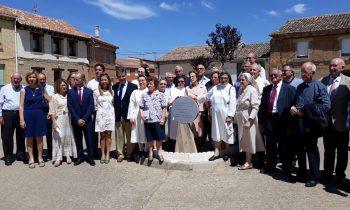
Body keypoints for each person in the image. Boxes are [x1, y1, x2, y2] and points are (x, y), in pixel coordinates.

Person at [291, 62, 330, 187]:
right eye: (301, 72)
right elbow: (297, 102)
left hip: (311, 124)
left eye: (305, 72)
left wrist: (306, 109)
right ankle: (302, 172)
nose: (302, 74)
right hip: (299, 123)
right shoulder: (300, 87)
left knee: (311, 151)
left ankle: (314, 176)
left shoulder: (320, 86)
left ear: (312, 73)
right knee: (299, 150)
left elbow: (326, 106)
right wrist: (293, 108)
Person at [258, 69, 296, 177]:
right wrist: (261, 122)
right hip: (269, 119)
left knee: (284, 144)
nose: (273, 76)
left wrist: (290, 125)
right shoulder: (267, 89)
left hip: (283, 120)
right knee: (270, 144)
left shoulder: (290, 89)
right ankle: (270, 166)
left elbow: (293, 107)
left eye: (275, 74)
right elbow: (262, 107)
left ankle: (286, 168)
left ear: (281, 76)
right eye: (271, 75)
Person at [320, 58, 350, 187]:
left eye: (335, 66)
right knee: (328, 151)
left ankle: (339, 176)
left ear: (342, 67)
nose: (331, 68)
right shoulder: (323, 81)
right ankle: (327, 174)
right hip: (326, 124)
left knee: (342, 152)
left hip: (342, 123)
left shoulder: (348, 82)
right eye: (330, 65)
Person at [198, 71, 236, 161]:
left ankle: (227, 152)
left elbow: (233, 103)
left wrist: (230, 115)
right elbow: (207, 96)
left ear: (228, 78)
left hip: (226, 115)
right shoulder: (215, 88)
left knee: (226, 133)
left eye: (225, 78)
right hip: (216, 115)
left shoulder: (231, 88)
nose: (223, 80)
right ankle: (217, 152)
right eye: (221, 78)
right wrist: (197, 99)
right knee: (216, 132)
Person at [19, 72, 50, 168]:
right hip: (28, 115)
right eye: (30, 77)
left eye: (33, 77)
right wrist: (21, 120)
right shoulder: (24, 90)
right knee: (29, 138)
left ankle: (40, 158)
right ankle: (31, 158)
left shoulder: (42, 89)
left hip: (40, 115)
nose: (31, 78)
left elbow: (50, 100)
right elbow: (21, 106)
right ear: (27, 79)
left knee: (39, 138)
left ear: (36, 79)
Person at [236, 73, 265, 170]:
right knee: (244, 139)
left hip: (248, 119)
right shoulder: (241, 90)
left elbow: (255, 107)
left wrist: (250, 120)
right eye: (240, 80)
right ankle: (247, 160)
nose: (241, 81)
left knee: (249, 140)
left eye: (243, 80)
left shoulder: (252, 90)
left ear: (248, 80)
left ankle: (249, 162)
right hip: (241, 119)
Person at [67, 73, 95, 166]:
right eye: (74, 79)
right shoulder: (70, 92)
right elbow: (70, 107)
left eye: (77, 79)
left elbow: (91, 106)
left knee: (89, 139)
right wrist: (77, 119)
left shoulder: (89, 91)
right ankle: (80, 157)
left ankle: (90, 157)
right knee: (78, 140)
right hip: (76, 121)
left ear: (83, 79)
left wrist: (84, 118)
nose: (75, 81)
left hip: (87, 121)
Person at [49, 79, 77, 167]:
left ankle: (67, 155)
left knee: (68, 137)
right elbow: (52, 111)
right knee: (59, 138)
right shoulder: (54, 97)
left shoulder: (69, 95)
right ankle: (58, 157)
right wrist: (54, 122)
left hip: (68, 119)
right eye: (61, 85)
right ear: (58, 87)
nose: (63, 87)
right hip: (59, 119)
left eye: (65, 85)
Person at [140, 77, 167, 165]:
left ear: (155, 85)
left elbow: (164, 107)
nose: (148, 85)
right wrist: (142, 115)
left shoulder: (160, 94)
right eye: (148, 83)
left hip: (158, 120)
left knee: (159, 138)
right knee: (150, 138)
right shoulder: (144, 95)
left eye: (150, 84)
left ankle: (159, 152)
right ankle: (150, 152)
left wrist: (163, 118)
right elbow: (141, 107)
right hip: (148, 121)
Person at [112, 69, 138, 162]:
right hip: (118, 115)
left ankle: (129, 154)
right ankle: (120, 154)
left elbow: (135, 103)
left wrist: (134, 115)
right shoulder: (114, 87)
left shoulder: (133, 87)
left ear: (126, 75)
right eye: (119, 76)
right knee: (119, 136)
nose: (121, 78)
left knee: (130, 135)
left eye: (123, 76)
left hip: (129, 116)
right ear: (117, 76)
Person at [0, 73, 25, 165]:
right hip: (8, 114)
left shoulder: (24, 88)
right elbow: (0, 103)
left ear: (21, 80)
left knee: (21, 135)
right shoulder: (4, 88)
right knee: (6, 137)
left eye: (18, 79)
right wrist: (0, 116)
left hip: (21, 114)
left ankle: (20, 154)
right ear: (11, 78)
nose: (16, 80)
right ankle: (8, 156)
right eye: (14, 78)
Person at [94, 73, 115, 164]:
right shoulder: (96, 92)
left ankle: (108, 154)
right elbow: (94, 105)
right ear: (100, 81)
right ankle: (103, 153)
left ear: (108, 81)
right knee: (102, 135)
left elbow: (114, 103)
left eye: (105, 79)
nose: (103, 81)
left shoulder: (112, 91)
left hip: (110, 115)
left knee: (109, 135)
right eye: (102, 80)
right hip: (101, 115)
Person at [127, 75, 148, 161]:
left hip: (146, 114)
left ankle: (146, 149)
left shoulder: (149, 90)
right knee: (138, 131)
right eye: (140, 81)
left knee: (146, 132)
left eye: (143, 80)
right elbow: (131, 105)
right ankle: (140, 149)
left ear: (146, 81)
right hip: (136, 114)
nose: (141, 82)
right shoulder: (134, 92)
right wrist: (131, 117)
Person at [186, 71, 207, 151]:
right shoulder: (187, 88)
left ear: (197, 77)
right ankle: (194, 148)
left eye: (193, 76)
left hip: (201, 111)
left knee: (200, 130)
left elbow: (205, 100)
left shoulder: (203, 87)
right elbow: (186, 100)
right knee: (193, 130)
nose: (191, 78)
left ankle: (200, 147)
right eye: (190, 77)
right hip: (191, 112)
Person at [87, 63, 105, 159]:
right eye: (96, 70)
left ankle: (103, 152)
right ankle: (94, 151)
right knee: (93, 132)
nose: (98, 71)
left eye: (100, 70)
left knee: (103, 132)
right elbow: (88, 97)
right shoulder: (90, 83)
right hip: (94, 111)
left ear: (103, 71)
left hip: (104, 111)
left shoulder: (106, 82)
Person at [36, 73, 54, 161]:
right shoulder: (34, 88)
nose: (42, 81)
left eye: (44, 79)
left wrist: (50, 113)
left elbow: (52, 100)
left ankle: (50, 153)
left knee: (49, 135)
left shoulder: (51, 88)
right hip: (38, 113)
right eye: (40, 79)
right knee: (37, 135)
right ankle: (37, 154)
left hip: (48, 113)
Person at [169, 76, 187, 141]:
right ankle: (173, 143)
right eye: (179, 82)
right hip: (174, 111)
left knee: (184, 128)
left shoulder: (187, 89)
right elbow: (169, 101)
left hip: (184, 112)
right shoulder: (172, 90)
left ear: (184, 82)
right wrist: (175, 100)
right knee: (174, 128)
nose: (180, 83)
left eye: (182, 81)